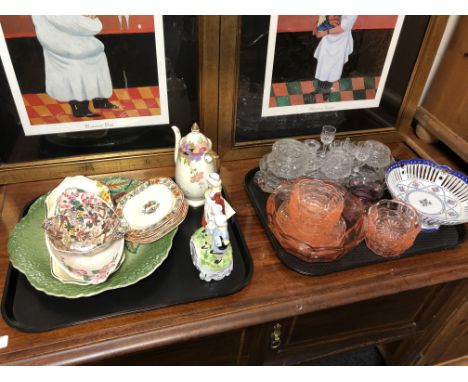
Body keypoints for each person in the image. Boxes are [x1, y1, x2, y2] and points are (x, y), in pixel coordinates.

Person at [32, 15, 118, 118]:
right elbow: (71, 23)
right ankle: (79, 106)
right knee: (79, 60)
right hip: (56, 38)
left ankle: (100, 99)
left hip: (69, 35)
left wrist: (89, 17)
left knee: (98, 54)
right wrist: (91, 19)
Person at [312, 15, 358, 98]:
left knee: (334, 66)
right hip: (327, 37)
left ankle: (326, 90)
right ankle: (319, 88)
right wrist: (319, 27)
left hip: (340, 40)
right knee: (323, 64)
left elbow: (344, 27)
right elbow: (324, 15)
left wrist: (325, 32)